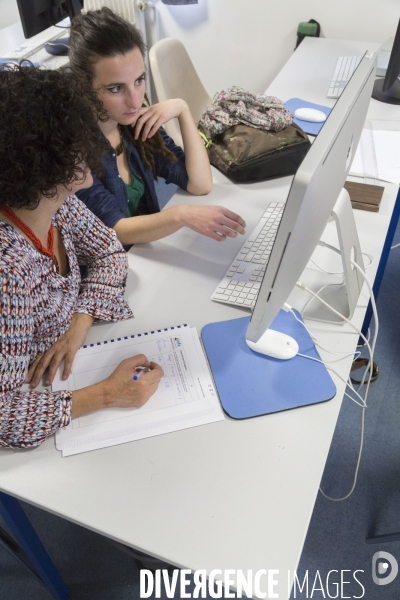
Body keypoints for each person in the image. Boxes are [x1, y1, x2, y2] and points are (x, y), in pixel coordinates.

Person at [0, 64, 164, 449]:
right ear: (42, 161)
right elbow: (3, 415)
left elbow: (109, 252)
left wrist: (79, 323)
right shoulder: (7, 270)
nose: (94, 148)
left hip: (63, 369)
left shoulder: (56, 203)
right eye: (79, 140)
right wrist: (107, 394)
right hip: (37, 410)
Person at [69, 7, 246, 246]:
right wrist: (180, 215)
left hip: (147, 254)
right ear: (83, 87)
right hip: (114, 267)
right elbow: (115, 229)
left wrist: (182, 110)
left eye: (139, 80)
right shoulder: (73, 148)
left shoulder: (134, 123)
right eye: (115, 88)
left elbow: (200, 184)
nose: (134, 100)